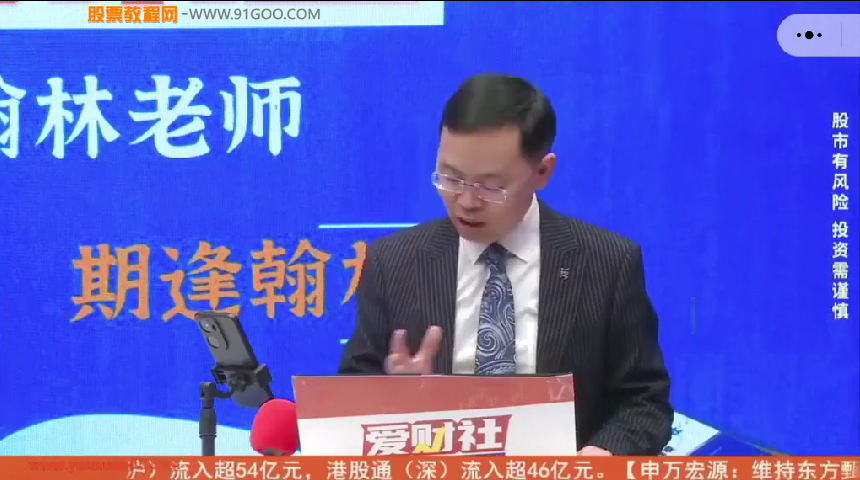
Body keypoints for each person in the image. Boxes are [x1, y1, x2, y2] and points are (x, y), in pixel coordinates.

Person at [338, 72, 673, 456]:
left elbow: (644, 402)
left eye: (490, 186)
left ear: (542, 172)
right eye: (450, 178)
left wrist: (600, 456)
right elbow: (348, 398)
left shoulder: (607, 262)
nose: (466, 202)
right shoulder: (393, 262)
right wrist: (392, 399)